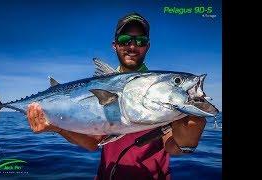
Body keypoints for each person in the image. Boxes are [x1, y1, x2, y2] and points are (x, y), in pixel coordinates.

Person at [26, 12, 206, 180]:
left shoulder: (162, 96)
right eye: (125, 40)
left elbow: (172, 147)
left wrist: (188, 142)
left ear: (147, 46)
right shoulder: (114, 84)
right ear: (115, 45)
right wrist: (58, 128)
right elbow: (92, 144)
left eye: (140, 41)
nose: (132, 46)